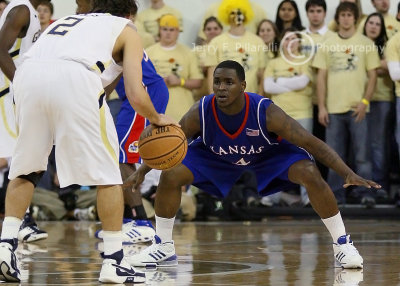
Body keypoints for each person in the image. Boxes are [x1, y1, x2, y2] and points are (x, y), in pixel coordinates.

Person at [125, 60, 380, 269]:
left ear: (243, 85)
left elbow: (311, 142)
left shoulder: (266, 111)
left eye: (229, 82)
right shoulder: (200, 111)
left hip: (267, 154)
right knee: (171, 174)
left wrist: (347, 173)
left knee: (309, 171)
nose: (221, 88)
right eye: (217, 82)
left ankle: (342, 243)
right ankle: (163, 246)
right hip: (217, 156)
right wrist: (143, 169)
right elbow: (171, 145)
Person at [0, 0, 178, 283]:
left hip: (26, 78)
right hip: (76, 78)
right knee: (108, 174)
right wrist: (157, 118)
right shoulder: (126, 28)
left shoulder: (65, 22)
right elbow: (134, 91)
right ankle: (113, 262)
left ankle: (5, 247)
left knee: (26, 169)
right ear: (129, 13)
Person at [312, 2, 380, 206]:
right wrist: (322, 107)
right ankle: (335, 196)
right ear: (338, 18)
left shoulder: (366, 43)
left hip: (358, 109)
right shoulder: (327, 42)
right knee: (334, 158)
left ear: (355, 18)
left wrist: (365, 101)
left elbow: (373, 75)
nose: (346, 18)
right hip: (333, 110)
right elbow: (321, 78)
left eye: (350, 15)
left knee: (363, 156)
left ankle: (366, 195)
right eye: (342, 15)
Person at [0, 0, 48, 243]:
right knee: (21, 157)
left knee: (21, 158)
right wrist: (21, 84)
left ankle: (20, 219)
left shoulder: (29, 11)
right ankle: (21, 221)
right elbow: (0, 49)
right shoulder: (21, 10)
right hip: (7, 94)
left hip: (13, 93)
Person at [146, 14, 203, 122]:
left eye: (171, 30)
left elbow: (198, 82)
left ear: (178, 31)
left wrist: (179, 81)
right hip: (155, 112)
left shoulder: (188, 53)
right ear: (159, 30)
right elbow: (139, 81)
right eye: (164, 29)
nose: (168, 33)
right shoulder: (148, 52)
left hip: (183, 113)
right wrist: (157, 82)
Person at [204, 0, 266, 95]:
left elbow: (262, 76)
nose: (237, 16)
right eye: (232, 13)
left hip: (250, 99)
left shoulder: (258, 42)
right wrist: (213, 99)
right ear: (227, 16)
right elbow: (211, 75)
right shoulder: (216, 42)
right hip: (224, 99)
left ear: (246, 15)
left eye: (240, 12)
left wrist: (260, 100)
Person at [363, 12, 392, 204]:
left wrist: (373, 67)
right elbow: (377, 68)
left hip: (381, 98)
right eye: (370, 23)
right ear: (364, 25)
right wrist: (377, 67)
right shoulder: (356, 44)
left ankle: (381, 186)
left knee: (379, 144)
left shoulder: (388, 46)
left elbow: (389, 66)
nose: (373, 26)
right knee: (362, 147)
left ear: (381, 28)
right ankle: (365, 188)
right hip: (360, 99)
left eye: (377, 24)